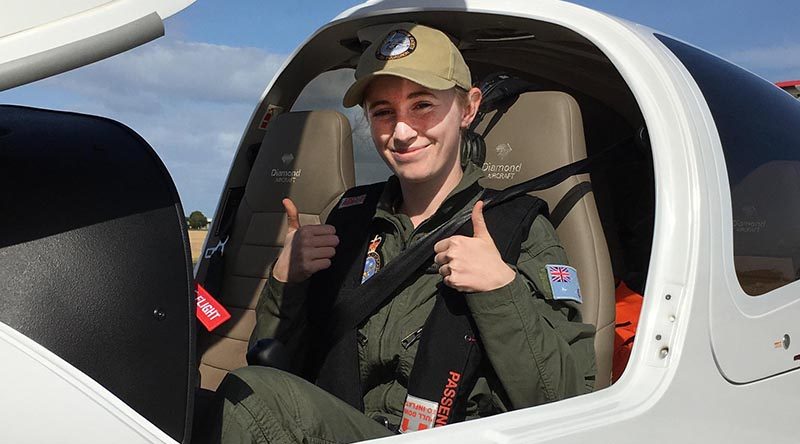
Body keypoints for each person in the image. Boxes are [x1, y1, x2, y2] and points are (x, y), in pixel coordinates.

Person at [204, 23, 595, 444]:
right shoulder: (350, 220)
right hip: (348, 426)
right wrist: (287, 283)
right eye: (383, 112)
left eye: (422, 105)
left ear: (468, 109)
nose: (403, 132)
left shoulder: (519, 229)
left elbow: (568, 399)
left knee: (257, 398)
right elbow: (274, 362)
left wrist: (501, 290)